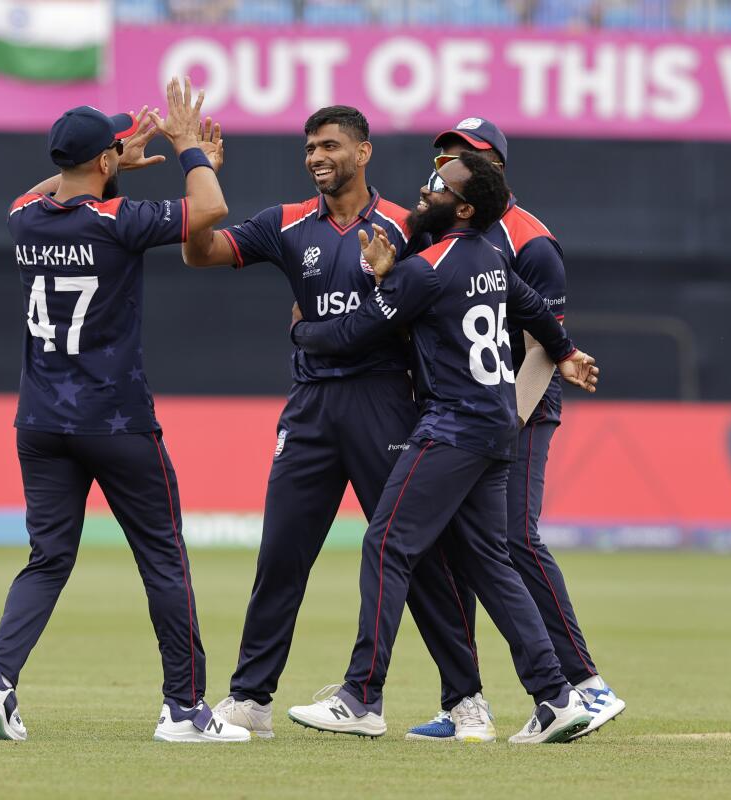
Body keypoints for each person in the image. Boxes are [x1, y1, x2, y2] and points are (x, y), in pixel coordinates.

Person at [182, 106, 485, 739]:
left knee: (418, 557)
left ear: (364, 152)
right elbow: (201, 252)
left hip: (388, 403)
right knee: (281, 556)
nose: (317, 158)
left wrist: (307, 331)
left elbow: (454, 294)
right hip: (312, 408)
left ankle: (465, 703)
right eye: (310, 149)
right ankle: (250, 701)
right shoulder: (286, 223)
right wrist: (201, 177)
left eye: (330, 146)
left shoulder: (411, 224)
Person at [0, 77, 250, 743]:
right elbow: (209, 207)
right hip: (117, 422)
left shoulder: (23, 219)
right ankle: (184, 710)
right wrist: (188, 149)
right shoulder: (119, 222)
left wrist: (109, 148)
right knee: (163, 558)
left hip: (39, 423)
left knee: (47, 559)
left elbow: (45, 188)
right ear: (103, 164)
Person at [285, 152, 602, 744]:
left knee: (386, 543)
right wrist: (565, 352)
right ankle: (557, 697)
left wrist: (301, 327)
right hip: (498, 428)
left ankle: (360, 697)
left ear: (463, 206)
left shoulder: (425, 269)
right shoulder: (490, 258)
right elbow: (532, 309)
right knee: (489, 562)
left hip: (451, 427)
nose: (423, 192)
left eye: (437, 188)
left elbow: (350, 335)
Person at [404, 118, 626, 742]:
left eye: (461, 156)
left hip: (515, 410)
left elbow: (541, 347)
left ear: (494, 168)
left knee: (513, 539)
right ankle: (465, 705)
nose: (445, 162)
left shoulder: (530, 241)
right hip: (460, 413)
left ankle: (585, 686)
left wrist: (504, 423)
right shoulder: (445, 229)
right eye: (443, 153)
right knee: (459, 549)